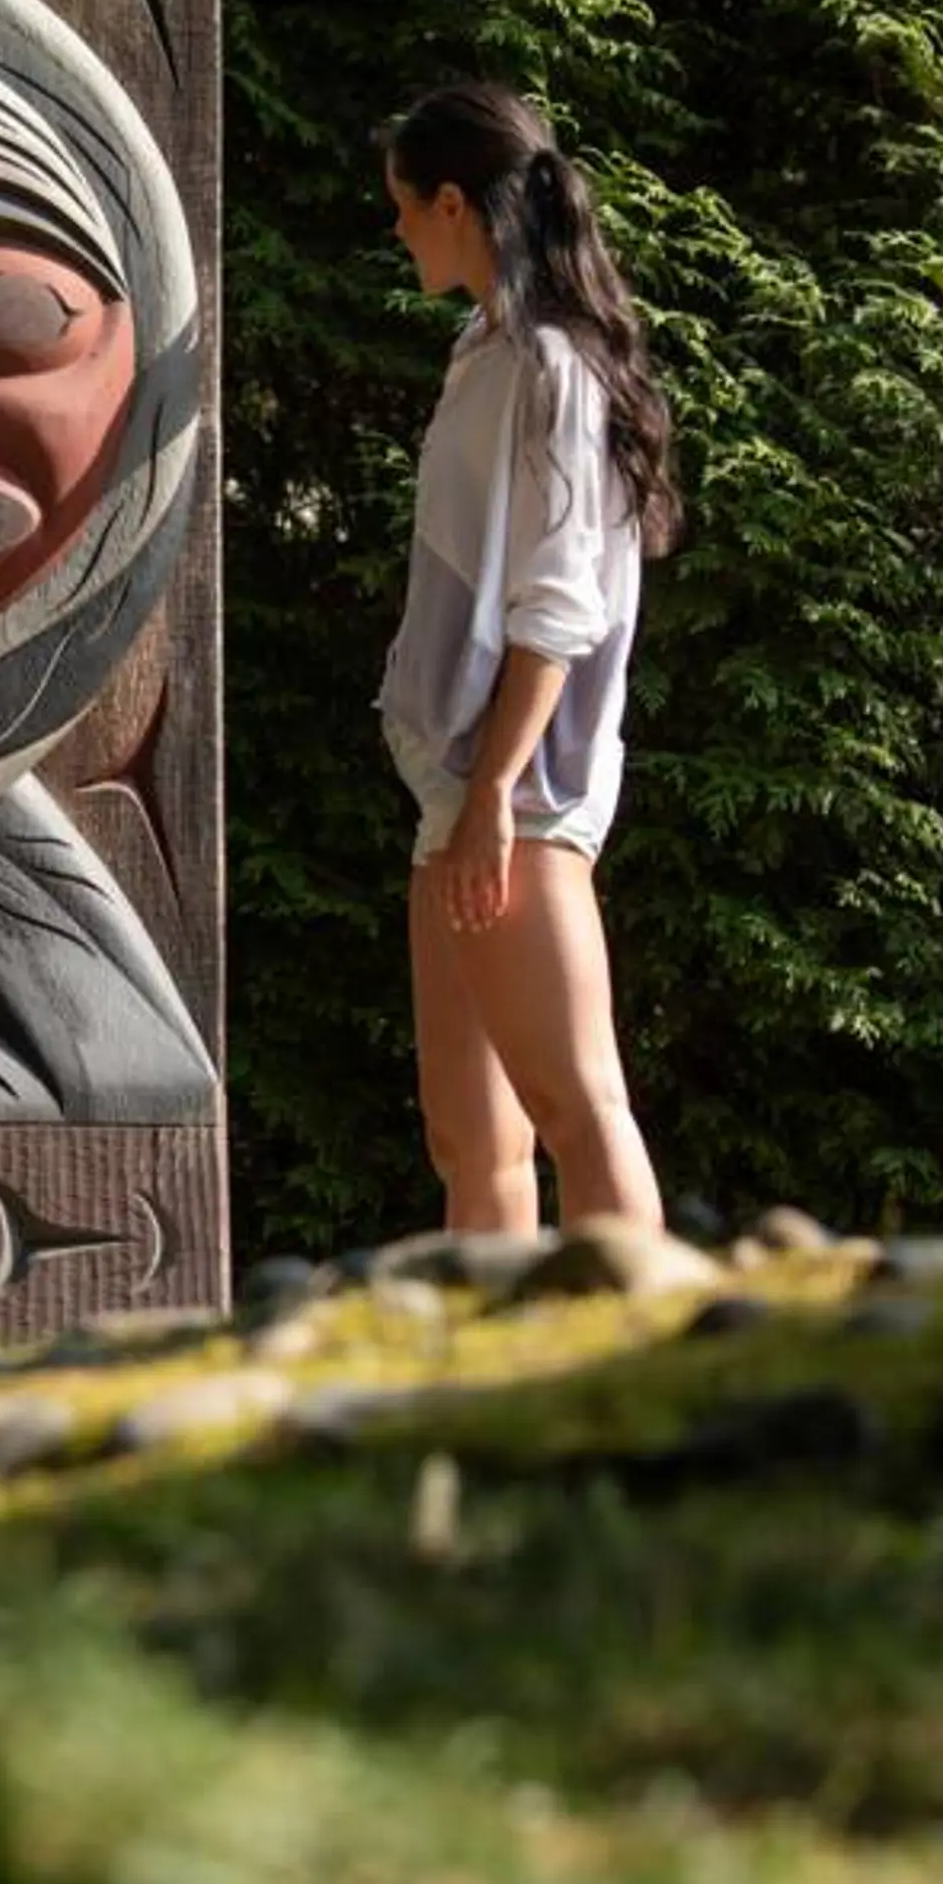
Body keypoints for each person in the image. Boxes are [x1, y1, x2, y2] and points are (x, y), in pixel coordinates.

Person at [375, 83, 683, 1238]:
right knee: (471, 1135)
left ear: (454, 204)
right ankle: (490, 1343)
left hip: (522, 793)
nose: (398, 228)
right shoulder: (485, 349)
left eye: (405, 206)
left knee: (575, 1104)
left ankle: (640, 1336)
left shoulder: (554, 365)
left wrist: (499, 792)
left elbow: (559, 609)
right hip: (460, 787)